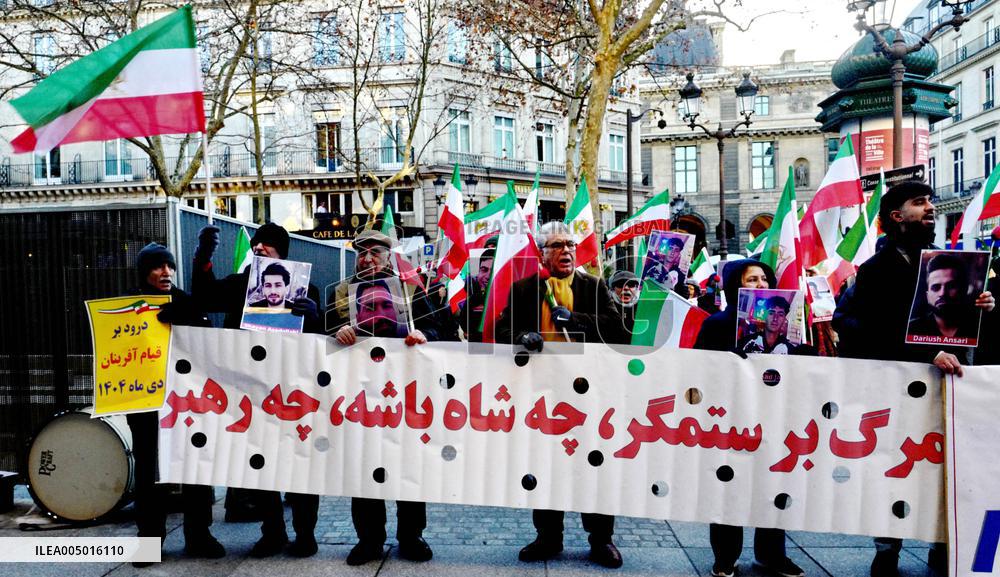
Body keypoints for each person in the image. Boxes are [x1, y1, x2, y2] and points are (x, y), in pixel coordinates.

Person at [832, 180, 995, 577]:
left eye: (930, 201)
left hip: (954, 386)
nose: (930, 208)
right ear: (895, 216)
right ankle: (887, 549)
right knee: (896, 470)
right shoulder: (875, 270)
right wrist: (925, 352)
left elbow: (965, 327)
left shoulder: (953, 263)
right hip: (899, 390)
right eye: (919, 202)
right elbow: (861, 328)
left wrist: (987, 307)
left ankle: (945, 545)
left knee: (950, 470)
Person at [495, 221, 624, 569]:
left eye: (570, 244)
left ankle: (601, 539)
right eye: (557, 245)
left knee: (593, 464)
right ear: (543, 253)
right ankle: (548, 537)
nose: (566, 250)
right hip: (543, 396)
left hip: (588, 395)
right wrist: (523, 336)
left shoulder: (594, 286)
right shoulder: (524, 288)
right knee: (545, 464)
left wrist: (578, 319)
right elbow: (500, 329)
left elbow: (617, 329)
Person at [191, 222, 322, 558]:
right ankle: (272, 532)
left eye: (268, 245)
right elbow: (204, 296)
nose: (260, 247)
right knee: (261, 464)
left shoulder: (308, 290)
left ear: (282, 254)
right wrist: (203, 257)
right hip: (251, 391)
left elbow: (322, 343)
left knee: (299, 467)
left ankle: (305, 535)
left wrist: (315, 317)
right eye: (258, 243)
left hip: (293, 394)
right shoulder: (241, 284)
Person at [329, 228, 441, 565]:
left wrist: (424, 334)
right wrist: (337, 332)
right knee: (363, 465)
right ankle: (369, 540)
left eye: (375, 252)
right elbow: (319, 334)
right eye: (361, 252)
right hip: (359, 394)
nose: (367, 258)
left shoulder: (411, 287)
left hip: (405, 393)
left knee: (407, 465)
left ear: (388, 255)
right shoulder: (342, 292)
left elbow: (442, 328)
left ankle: (411, 536)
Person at [693, 259, 806, 577]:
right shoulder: (716, 324)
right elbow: (699, 370)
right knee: (728, 486)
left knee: (775, 486)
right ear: (735, 287)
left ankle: (772, 555)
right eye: (752, 280)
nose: (761, 285)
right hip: (732, 420)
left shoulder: (787, 324)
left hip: (776, 418)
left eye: (765, 279)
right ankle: (725, 557)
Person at [127, 243, 224, 567]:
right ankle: (149, 539)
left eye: (169, 266)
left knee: (195, 465)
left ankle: (199, 534)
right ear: (145, 272)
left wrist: (189, 318)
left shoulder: (185, 301)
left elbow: (209, 343)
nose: (166, 272)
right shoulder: (129, 307)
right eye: (158, 267)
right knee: (148, 473)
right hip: (145, 403)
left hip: (187, 403)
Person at [906, 252, 981, 342]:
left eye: (951, 286)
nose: (942, 293)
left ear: (964, 290)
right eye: (935, 287)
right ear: (927, 295)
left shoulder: (977, 326)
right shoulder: (912, 329)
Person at [608, 269, 640, 339]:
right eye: (620, 284)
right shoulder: (604, 308)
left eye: (631, 284)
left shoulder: (644, 307)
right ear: (613, 289)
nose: (625, 288)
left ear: (637, 288)